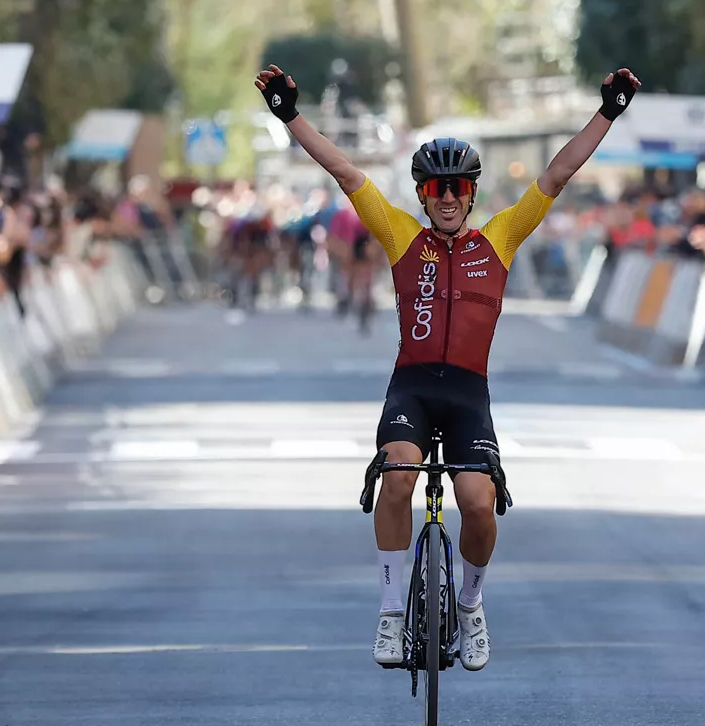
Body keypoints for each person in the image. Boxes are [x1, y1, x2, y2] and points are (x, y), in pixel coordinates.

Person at [254, 61, 642, 671]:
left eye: (460, 188)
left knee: (479, 504)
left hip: (468, 394)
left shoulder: (503, 238)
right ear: (423, 196)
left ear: (473, 194)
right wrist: (289, 116)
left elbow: (558, 174)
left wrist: (609, 113)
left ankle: (470, 608)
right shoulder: (401, 234)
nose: (450, 198)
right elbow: (344, 169)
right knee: (399, 480)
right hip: (411, 387)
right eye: (438, 190)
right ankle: (388, 616)